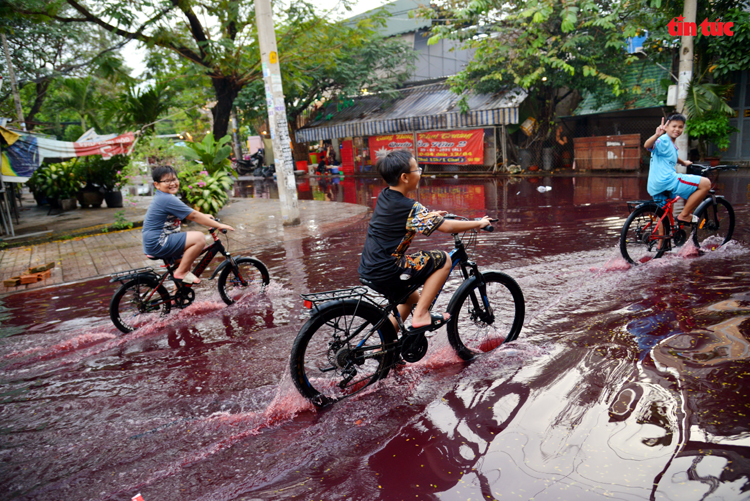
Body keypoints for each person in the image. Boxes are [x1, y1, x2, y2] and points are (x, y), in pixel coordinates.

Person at [358, 149, 492, 334]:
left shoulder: (385, 196)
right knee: (444, 259)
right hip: (388, 268)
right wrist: (478, 223)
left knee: (410, 298)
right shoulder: (409, 206)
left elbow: (401, 220)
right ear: (405, 177)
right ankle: (421, 315)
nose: (420, 174)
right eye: (417, 170)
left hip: (370, 266)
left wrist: (430, 217)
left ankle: (384, 348)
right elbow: (446, 227)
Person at [142, 165, 234, 285]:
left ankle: (177, 297)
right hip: (159, 242)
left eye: (174, 179)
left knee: (185, 263)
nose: (172, 183)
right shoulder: (166, 199)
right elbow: (193, 216)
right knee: (199, 238)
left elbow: (188, 212)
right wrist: (218, 225)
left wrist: (204, 216)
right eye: (167, 181)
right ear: (157, 185)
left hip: (155, 242)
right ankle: (180, 273)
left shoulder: (164, 197)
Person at [644, 114, 710, 227]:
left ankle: (662, 243)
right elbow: (647, 145)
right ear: (667, 127)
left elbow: (671, 157)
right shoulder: (663, 140)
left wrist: (683, 162)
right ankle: (684, 215)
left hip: (655, 184)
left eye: (680, 127)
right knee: (705, 183)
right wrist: (656, 135)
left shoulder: (669, 143)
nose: (677, 129)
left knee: (665, 217)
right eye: (674, 126)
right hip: (667, 180)